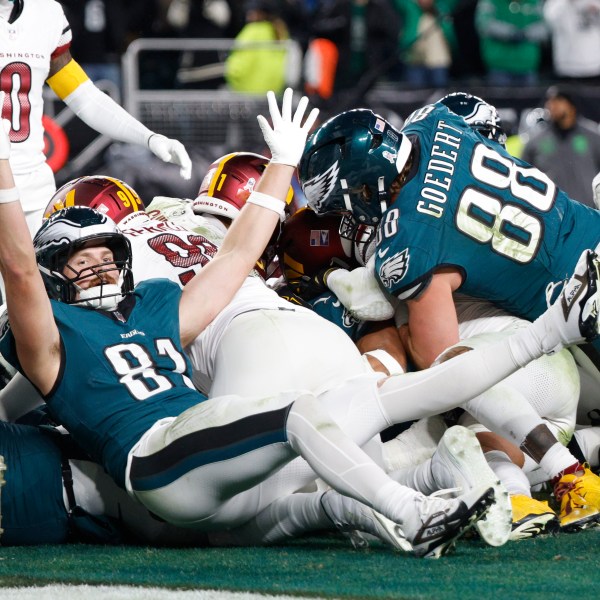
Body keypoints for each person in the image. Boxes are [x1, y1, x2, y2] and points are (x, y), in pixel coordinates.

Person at [0, 87, 518, 560]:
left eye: (106, 254)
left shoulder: (155, 303)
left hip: (200, 448)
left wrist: (283, 162)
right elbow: (19, 268)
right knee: (311, 427)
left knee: (311, 476)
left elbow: (235, 260)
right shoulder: (51, 333)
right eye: (79, 259)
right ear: (52, 274)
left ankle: (543, 345)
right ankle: (425, 500)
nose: (100, 266)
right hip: (160, 451)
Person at [298, 97, 600, 530]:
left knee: (448, 370)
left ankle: (558, 473)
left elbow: (452, 367)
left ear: (366, 188)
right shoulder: (435, 121)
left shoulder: (408, 243)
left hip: (577, 302)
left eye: (348, 202)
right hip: (592, 233)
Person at [0, 0, 192, 236]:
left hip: (33, 187)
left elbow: (84, 96)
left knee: (40, 272)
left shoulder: (45, 13)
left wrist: (149, 138)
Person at [521, 86, 600, 208]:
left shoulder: (594, 137)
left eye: (558, 100)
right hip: (552, 213)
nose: (552, 105)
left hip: (588, 212)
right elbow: (524, 179)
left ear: (572, 105)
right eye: (550, 101)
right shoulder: (535, 141)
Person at [475, 0, 548, 86]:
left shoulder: (534, 2)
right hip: (499, 65)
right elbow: (484, 24)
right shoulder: (490, 2)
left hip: (528, 65)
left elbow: (545, 28)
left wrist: (526, 34)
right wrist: (510, 33)